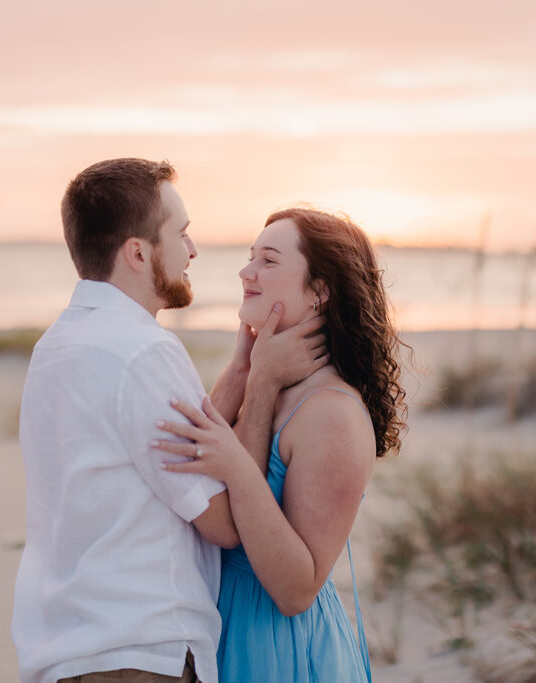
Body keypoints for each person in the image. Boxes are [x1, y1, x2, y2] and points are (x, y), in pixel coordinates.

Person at [11, 159, 326, 683]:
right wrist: (264, 386)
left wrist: (241, 373)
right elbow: (225, 523)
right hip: (139, 653)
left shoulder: (57, 346)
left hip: (64, 649)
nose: (192, 250)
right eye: (180, 234)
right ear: (138, 253)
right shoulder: (144, 351)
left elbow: (164, 443)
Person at [153, 207, 408, 682]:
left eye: (268, 260)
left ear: (320, 290)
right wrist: (248, 373)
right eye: (251, 257)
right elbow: (190, 466)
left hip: (275, 647)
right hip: (218, 627)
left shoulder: (331, 412)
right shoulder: (265, 380)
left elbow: (296, 591)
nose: (246, 272)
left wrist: (258, 394)